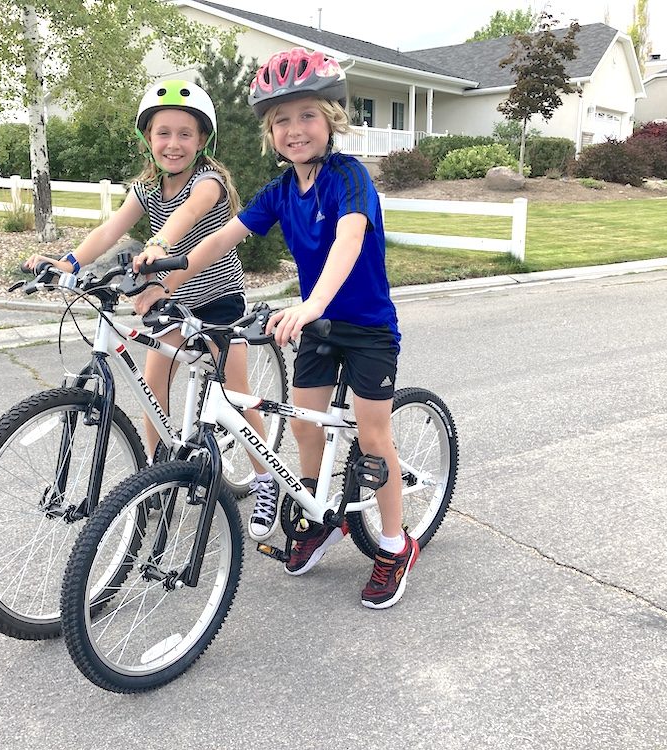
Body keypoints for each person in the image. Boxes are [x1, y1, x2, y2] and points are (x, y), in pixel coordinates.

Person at [132, 48, 416, 610]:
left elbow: (349, 240)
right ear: (270, 130)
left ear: (331, 120)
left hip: (365, 328)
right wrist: (163, 269)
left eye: (307, 115)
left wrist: (309, 306)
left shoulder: (349, 178)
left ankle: (393, 544)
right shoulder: (281, 190)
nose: (294, 129)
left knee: (373, 438)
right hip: (316, 326)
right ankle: (317, 519)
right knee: (307, 428)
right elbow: (219, 238)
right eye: (281, 120)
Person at [23, 79, 280, 541]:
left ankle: (265, 480)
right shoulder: (146, 189)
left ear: (202, 141)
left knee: (237, 399)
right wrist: (70, 262)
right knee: (151, 384)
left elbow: (184, 226)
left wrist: (158, 247)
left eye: (185, 134)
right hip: (173, 300)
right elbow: (110, 229)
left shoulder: (209, 184)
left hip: (219, 302)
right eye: (163, 133)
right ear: (148, 138)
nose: (173, 143)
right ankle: (159, 476)